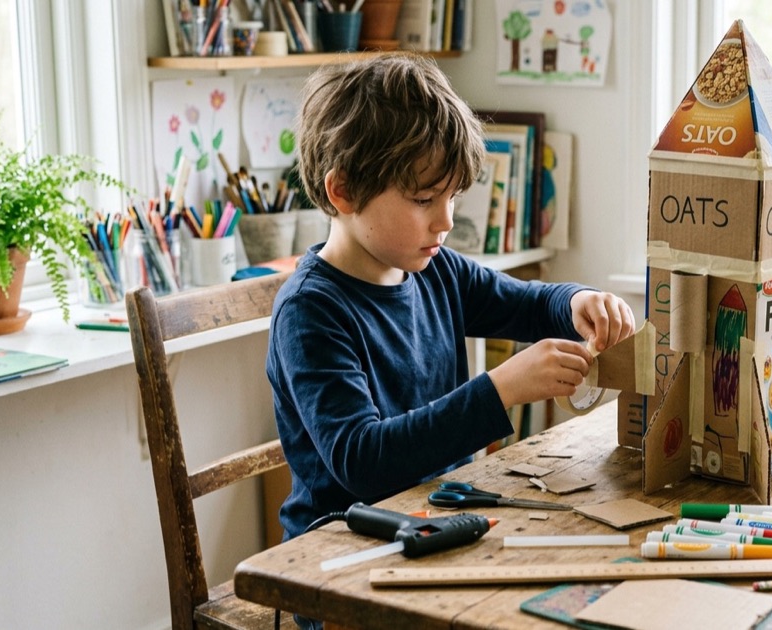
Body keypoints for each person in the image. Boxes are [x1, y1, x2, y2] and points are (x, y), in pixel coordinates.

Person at [267, 55, 636, 551]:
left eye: (453, 196)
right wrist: (499, 389)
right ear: (345, 191)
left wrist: (579, 302)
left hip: (434, 520)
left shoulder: (434, 267)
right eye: (423, 200)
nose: (445, 221)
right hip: (340, 552)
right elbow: (364, 461)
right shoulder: (310, 311)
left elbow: (525, 304)